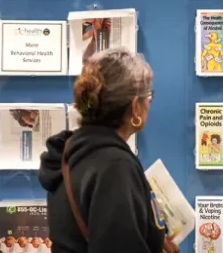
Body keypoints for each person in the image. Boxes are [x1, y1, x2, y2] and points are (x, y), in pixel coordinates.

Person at [38, 50, 175, 253]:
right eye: (148, 96)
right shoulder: (115, 166)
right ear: (135, 107)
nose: (150, 102)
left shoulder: (71, 152)